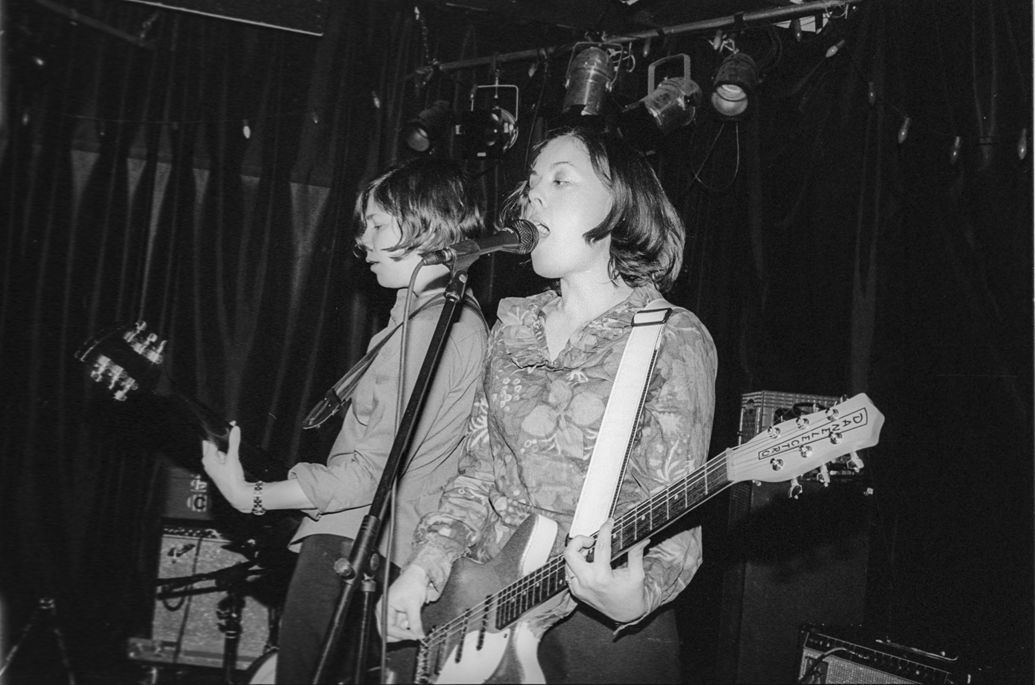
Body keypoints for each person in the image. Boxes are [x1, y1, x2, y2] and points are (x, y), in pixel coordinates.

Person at [380, 124, 717, 684]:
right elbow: (479, 475)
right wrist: (426, 564)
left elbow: (678, 510)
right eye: (533, 182)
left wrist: (637, 597)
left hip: (602, 631)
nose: (535, 194)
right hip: (481, 600)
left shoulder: (669, 337)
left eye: (562, 180)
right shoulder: (513, 329)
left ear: (622, 208)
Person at [200, 156, 489, 684]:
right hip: (368, 546)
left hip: (360, 546)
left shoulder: (435, 329)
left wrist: (251, 497)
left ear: (427, 225)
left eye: (379, 224)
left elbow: (370, 475)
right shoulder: (422, 321)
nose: (364, 240)